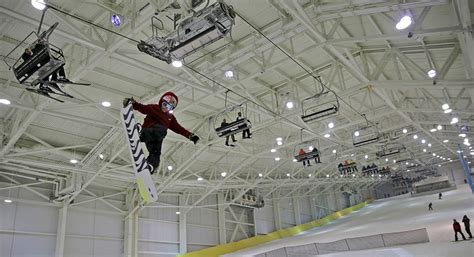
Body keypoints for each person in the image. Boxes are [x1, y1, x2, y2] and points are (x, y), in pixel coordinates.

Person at [123, 92, 199, 174]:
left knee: (156, 153)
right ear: (161, 102)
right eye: (164, 104)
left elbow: (179, 129)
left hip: (155, 139)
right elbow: (143, 108)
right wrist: (133, 103)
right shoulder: (154, 108)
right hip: (148, 131)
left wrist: (190, 135)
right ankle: (140, 132)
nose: (165, 108)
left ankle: (150, 165)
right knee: (162, 130)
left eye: (169, 107)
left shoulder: (170, 118)